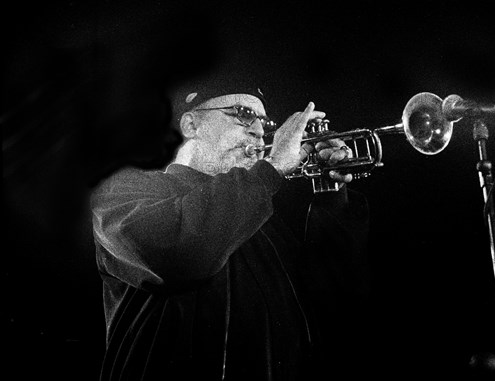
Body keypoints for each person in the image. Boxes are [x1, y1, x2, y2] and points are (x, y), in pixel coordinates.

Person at [90, 78, 371, 380]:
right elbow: (177, 253)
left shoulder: (260, 218)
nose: (260, 131)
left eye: (264, 121)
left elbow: (332, 299)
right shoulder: (125, 192)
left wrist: (331, 194)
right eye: (243, 114)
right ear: (191, 126)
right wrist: (272, 167)